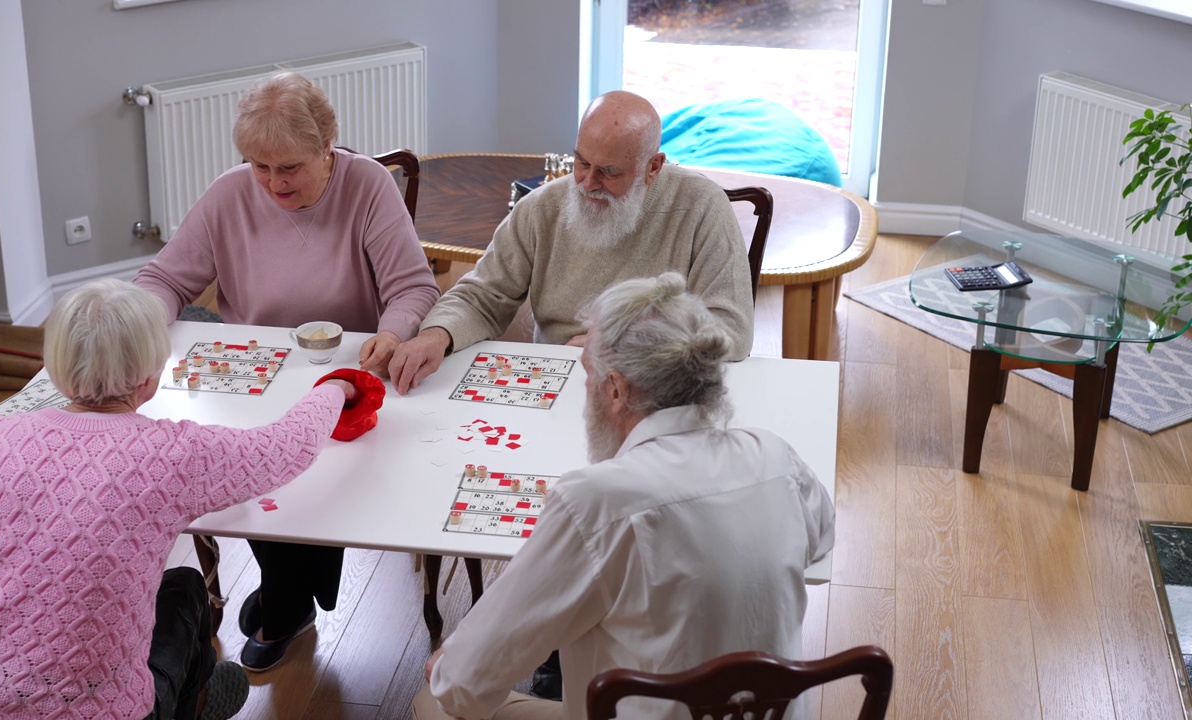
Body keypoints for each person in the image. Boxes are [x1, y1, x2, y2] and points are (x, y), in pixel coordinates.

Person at [0, 279, 356, 720]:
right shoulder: (170, 454)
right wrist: (335, 388)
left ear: (57, 366)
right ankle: (192, 704)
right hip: (106, 711)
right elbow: (284, 448)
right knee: (185, 590)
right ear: (150, 377)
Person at [412, 273, 835, 720]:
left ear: (616, 390)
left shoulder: (595, 502)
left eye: (589, 374)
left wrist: (449, 663)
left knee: (433, 703)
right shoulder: (774, 457)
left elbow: (463, 685)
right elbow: (820, 539)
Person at [134, 71, 440, 671]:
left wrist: (391, 332)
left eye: (290, 168)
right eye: (258, 166)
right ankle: (289, 597)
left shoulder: (368, 186)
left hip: (348, 375)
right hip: (255, 379)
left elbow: (412, 288)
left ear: (330, 146)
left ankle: (286, 600)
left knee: (315, 480)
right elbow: (165, 279)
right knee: (250, 471)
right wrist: (136, 324)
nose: (273, 184)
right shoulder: (229, 194)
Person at [388, 90, 755, 397]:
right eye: (581, 162)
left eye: (609, 172)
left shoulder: (702, 205)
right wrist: (438, 335)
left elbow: (731, 331)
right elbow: (481, 296)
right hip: (558, 381)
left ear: (653, 167)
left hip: (658, 387)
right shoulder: (541, 208)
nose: (587, 183)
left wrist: (619, 344)